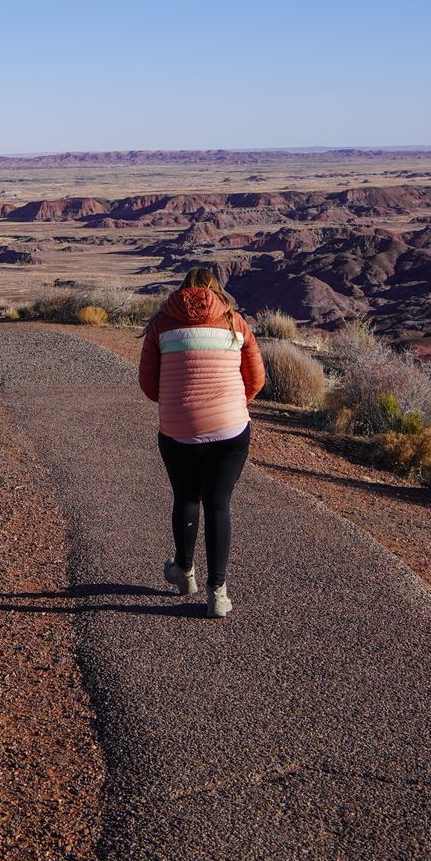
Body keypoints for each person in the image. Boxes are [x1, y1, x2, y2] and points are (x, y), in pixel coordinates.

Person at [138, 264, 265, 616]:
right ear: (216, 290)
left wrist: (180, 403)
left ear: (183, 289)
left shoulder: (162, 322)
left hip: (179, 430)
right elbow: (255, 379)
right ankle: (218, 594)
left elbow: (149, 386)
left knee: (187, 498)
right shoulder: (234, 321)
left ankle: (184, 571)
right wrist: (231, 406)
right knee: (219, 504)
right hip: (230, 428)